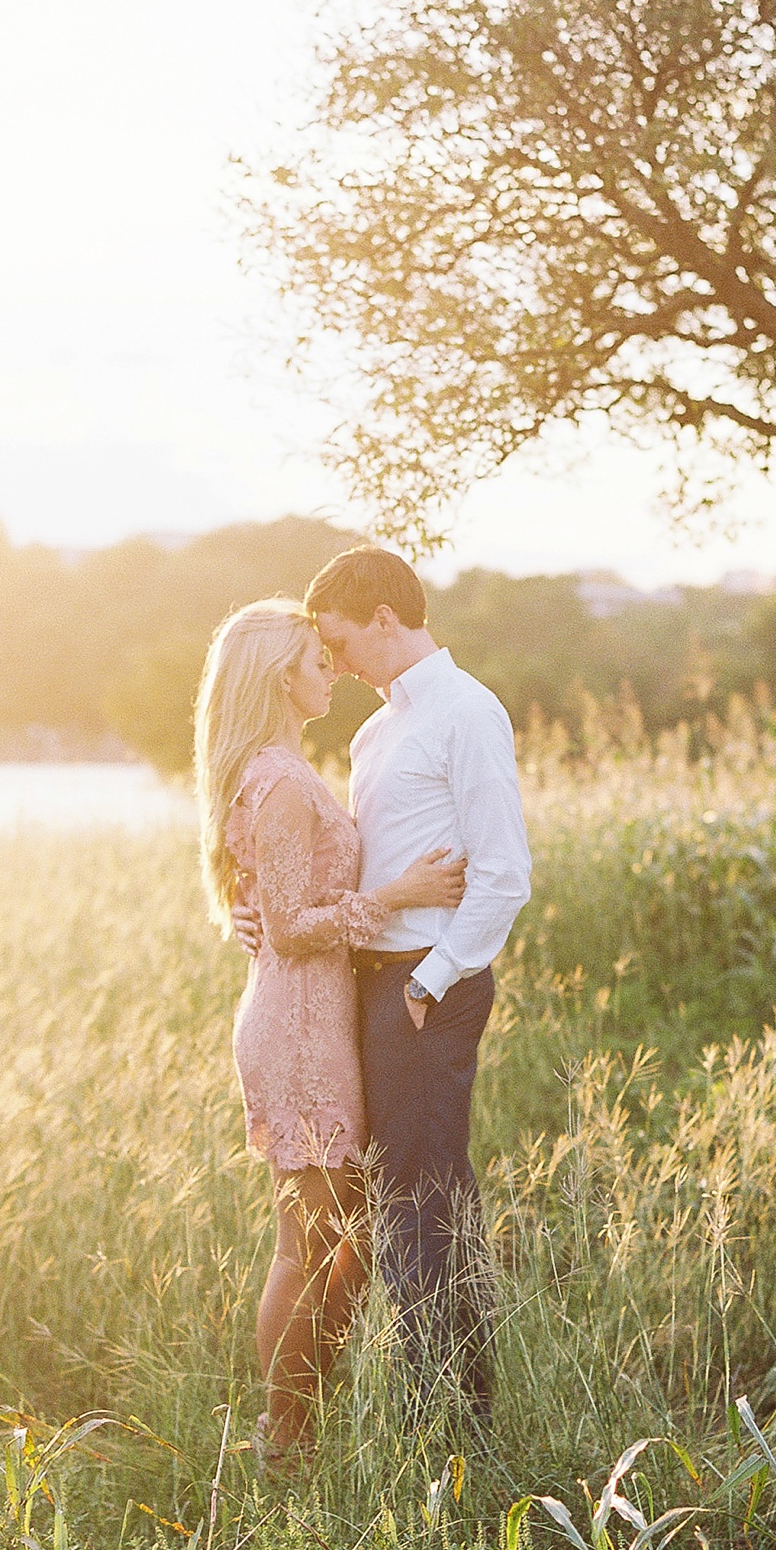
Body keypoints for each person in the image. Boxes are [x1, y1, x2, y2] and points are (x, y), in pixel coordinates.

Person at [240, 547, 532, 1428]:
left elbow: (504, 873)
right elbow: (327, 870)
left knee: (423, 1206)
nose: (335, 663)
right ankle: (370, 1414)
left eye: (338, 641)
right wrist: (257, 913)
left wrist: (433, 982)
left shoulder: (467, 713)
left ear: (382, 617)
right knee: (378, 1210)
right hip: (360, 987)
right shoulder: (375, 732)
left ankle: (449, 1424)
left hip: (422, 985)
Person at [193, 598, 468, 1474]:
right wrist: (402, 893)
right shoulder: (276, 779)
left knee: (338, 1234)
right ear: (281, 675)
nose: (333, 671)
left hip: (319, 1018)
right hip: (298, 1029)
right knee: (309, 1240)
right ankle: (285, 1437)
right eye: (319, 659)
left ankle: (303, 1420)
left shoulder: (284, 768)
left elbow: (273, 910)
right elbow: (289, 925)